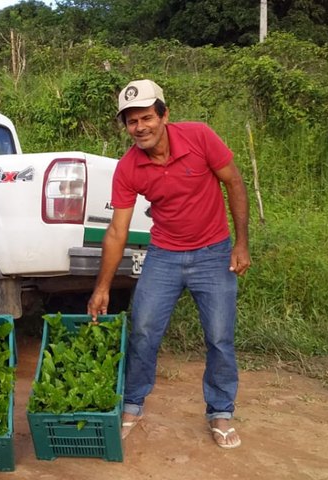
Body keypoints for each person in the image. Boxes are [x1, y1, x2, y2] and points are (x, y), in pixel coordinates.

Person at [87, 79, 251, 449]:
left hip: (213, 252)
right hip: (164, 255)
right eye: (131, 122)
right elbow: (117, 231)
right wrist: (102, 288)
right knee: (143, 330)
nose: (140, 127)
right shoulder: (129, 168)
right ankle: (132, 404)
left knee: (220, 337)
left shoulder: (200, 137)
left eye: (146, 117)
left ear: (164, 115)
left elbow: (235, 183)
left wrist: (241, 244)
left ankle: (220, 410)